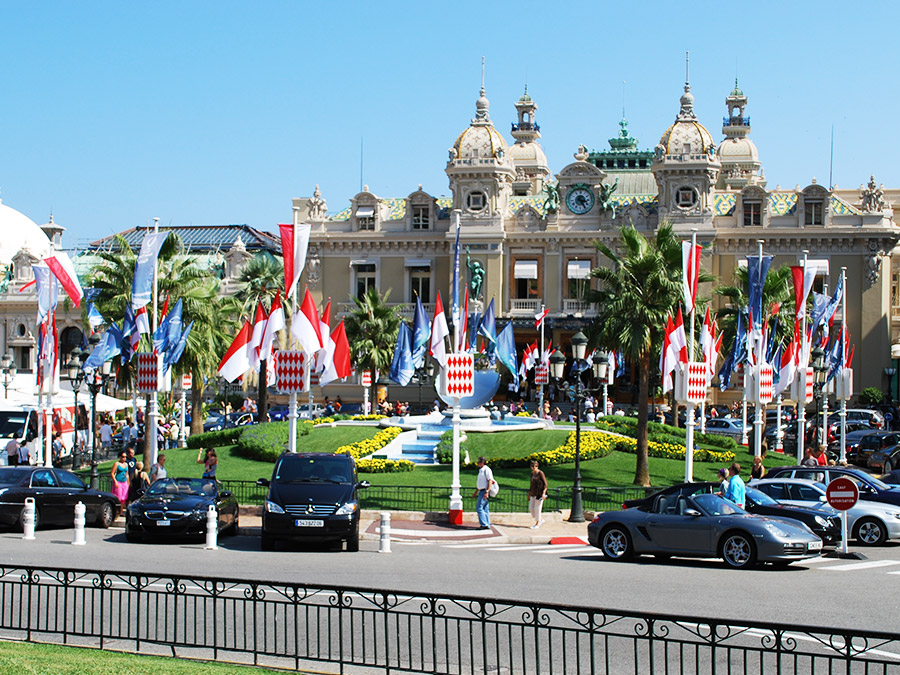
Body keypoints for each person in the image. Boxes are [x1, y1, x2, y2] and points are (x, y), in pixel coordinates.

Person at [471, 456, 495, 530]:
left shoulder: (486, 470)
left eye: (479, 462)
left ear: (482, 462)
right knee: (485, 508)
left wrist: (487, 491)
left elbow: (490, 480)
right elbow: (480, 483)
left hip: (484, 491)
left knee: (479, 508)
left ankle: (484, 524)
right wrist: (476, 492)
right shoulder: (481, 470)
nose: (477, 463)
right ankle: (487, 524)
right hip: (481, 490)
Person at [527, 460, 548, 529]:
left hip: (539, 493)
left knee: (537, 508)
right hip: (533, 493)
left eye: (535, 466)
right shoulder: (531, 474)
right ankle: (540, 519)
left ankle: (537, 523)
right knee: (531, 508)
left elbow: (545, 484)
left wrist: (543, 493)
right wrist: (529, 494)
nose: (534, 467)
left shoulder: (540, 473)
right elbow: (531, 485)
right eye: (532, 466)